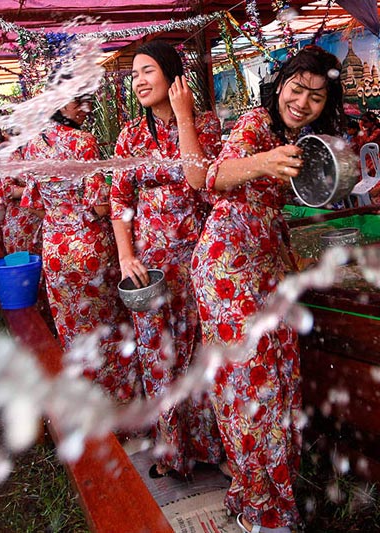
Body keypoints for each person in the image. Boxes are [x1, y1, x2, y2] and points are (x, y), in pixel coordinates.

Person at [191, 46, 344, 533]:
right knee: (250, 388)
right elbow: (210, 178)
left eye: (316, 97)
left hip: (264, 267)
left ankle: (254, 493)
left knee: (278, 382)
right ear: (279, 86)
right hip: (226, 269)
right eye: (296, 89)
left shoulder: (301, 134)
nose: (302, 102)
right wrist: (262, 162)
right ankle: (265, 511)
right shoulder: (256, 125)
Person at [109, 40, 223, 477]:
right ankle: (173, 452)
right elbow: (119, 201)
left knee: (199, 353)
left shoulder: (205, 125)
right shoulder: (130, 136)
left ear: (172, 76)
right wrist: (125, 255)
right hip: (150, 267)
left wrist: (183, 116)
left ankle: (213, 449)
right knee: (158, 353)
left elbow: (203, 182)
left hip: (199, 256)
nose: (138, 80)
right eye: (134, 74)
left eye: (147, 71)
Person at [19, 93, 134, 398]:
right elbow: (97, 206)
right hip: (90, 249)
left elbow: (32, 204)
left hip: (56, 249)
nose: (86, 109)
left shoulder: (33, 146)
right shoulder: (83, 142)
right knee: (106, 326)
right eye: (78, 103)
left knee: (72, 330)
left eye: (87, 102)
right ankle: (117, 403)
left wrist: (61, 217)